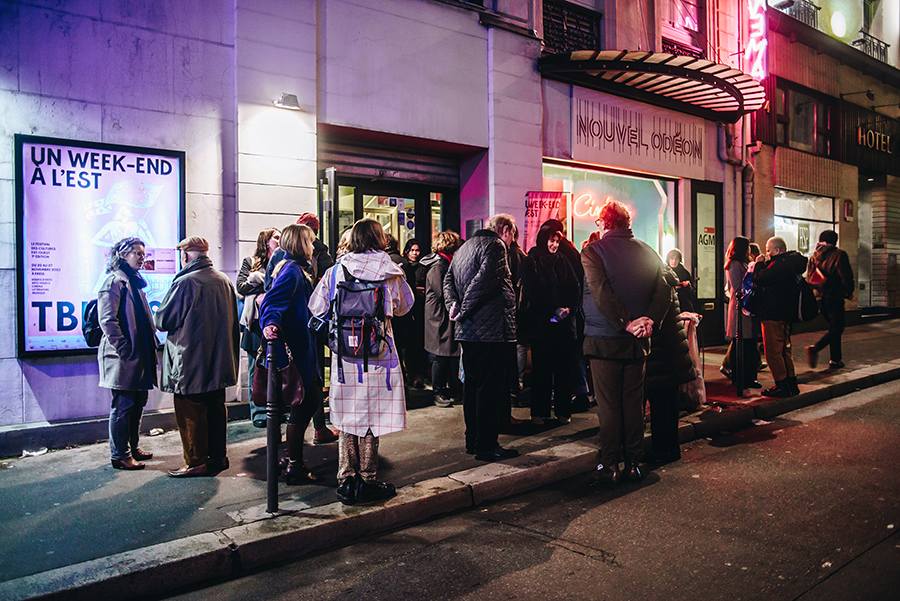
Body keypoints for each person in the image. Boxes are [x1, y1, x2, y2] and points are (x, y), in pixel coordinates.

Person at [309, 218, 414, 505]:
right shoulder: (390, 271)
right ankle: (368, 479)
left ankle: (346, 479)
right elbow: (405, 307)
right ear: (379, 239)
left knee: (347, 415)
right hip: (379, 352)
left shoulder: (336, 270)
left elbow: (316, 307)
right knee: (371, 416)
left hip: (346, 354)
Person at [581, 200, 670, 486]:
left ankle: (610, 464)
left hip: (604, 340)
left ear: (604, 223)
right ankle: (633, 463)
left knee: (609, 405)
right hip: (637, 342)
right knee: (632, 404)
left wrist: (626, 323)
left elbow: (600, 292)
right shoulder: (647, 251)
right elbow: (665, 289)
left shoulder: (593, 251)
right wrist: (649, 320)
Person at [155, 237, 240, 478]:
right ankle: (218, 457)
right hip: (219, 361)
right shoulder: (223, 280)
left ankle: (195, 461)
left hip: (190, 361)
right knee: (216, 408)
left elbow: (163, 320)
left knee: (190, 410)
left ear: (185, 255)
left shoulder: (185, 282)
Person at [444, 213, 519, 462]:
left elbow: (448, 281)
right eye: (512, 234)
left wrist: (454, 306)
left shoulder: (464, 247)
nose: (512, 240)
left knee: (472, 387)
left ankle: (473, 440)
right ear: (505, 230)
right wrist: (463, 309)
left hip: (468, 331)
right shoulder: (496, 245)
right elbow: (484, 281)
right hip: (491, 331)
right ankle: (486, 445)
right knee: (489, 390)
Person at [258, 224, 321, 484]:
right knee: (307, 400)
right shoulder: (293, 270)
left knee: (305, 401)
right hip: (296, 347)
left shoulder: (290, 266)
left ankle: (289, 458)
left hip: (299, 345)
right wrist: (270, 323)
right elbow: (271, 302)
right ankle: (295, 464)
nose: (313, 245)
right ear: (300, 243)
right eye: (310, 241)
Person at [97, 237, 158, 471]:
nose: (142, 258)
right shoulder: (114, 282)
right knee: (123, 406)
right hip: (125, 356)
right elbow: (107, 321)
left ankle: (132, 448)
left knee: (138, 403)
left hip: (139, 354)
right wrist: (123, 348)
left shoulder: (134, 281)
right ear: (123, 255)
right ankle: (120, 455)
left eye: (143, 254)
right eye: (137, 253)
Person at [518, 222, 580, 425]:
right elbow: (532, 292)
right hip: (541, 324)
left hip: (563, 325)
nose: (554, 245)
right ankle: (539, 412)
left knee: (563, 370)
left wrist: (568, 309)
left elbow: (574, 287)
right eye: (551, 241)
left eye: (556, 241)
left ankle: (563, 411)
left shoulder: (563, 260)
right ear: (543, 240)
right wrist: (554, 309)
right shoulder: (531, 262)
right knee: (541, 370)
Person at [294, 213, 339, 445]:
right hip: (315, 319)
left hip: (299, 321)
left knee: (303, 374)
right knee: (315, 374)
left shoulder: (290, 257)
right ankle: (319, 427)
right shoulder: (322, 254)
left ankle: (306, 431)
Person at [644, 267, 695, 465]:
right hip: (672, 353)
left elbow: (654, 319)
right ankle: (672, 449)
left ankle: (661, 450)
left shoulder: (655, 287)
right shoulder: (666, 281)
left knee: (660, 406)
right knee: (669, 405)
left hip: (660, 354)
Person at [749, 237, 807, 397]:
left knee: (773, 351)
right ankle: (791, 383)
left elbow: (759, 278)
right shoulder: (791, 263)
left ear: (777, 250)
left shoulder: (781, 264)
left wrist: (759, 264)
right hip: (785, 313)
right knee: (784, 350)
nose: (767, 253)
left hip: (772, 313)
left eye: (768, 250)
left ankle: (781, 385)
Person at [237, 228, 280, 428]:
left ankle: (277, 409)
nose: (280, 240)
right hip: (254, 325)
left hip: (274, 322)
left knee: (278, 368)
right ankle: (259, 412)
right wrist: (263, 286)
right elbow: (241, 287)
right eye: (276, 237)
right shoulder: (250, 262)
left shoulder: (282, 263)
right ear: (266, 241)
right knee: (256, 368)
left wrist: (263, 289)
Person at [421, 230, 463, 407]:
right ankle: (438, 391)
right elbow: (442, 292)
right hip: (439, 317)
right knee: (441, 355)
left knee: (449, 354)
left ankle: (451, 389)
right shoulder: (439, 265)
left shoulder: (442, 262)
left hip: (442, 315)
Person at [805, 230, 855, 370]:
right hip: (834, 297)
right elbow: (846, 276)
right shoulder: (839, 255)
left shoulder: (814, 257)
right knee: (837, 328)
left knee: (834, 328)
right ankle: (815, 348)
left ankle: (835, 360)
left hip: (820, 298)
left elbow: (810, 279)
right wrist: (848, 292)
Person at [724, 236, 762, 389]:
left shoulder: (744, 263)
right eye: (747, 247)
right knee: (742, 343)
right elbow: (738, 287)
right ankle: (741, 378)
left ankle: (748, 377)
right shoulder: (734, 264)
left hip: (748, 308)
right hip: (740, 308)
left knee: (748, 344)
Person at [399, 238, 426, 389]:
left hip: (419, 310)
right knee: (408, 345)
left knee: (417, 344)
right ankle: (410, 374)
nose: (415, 253)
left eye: (417, 250)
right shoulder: (405, 266)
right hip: (408, 310)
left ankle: (418, 375)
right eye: (412, 250)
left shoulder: (422, 268)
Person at [665, 248, 696, 313]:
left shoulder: (684, 273)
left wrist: (688, 285)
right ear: (668, 260)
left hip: (684, 304)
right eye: (672, 259)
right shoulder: (665, 272)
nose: (674, 261)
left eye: (676, 259)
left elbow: (692, 292)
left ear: (679, 260)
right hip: (669, 304)